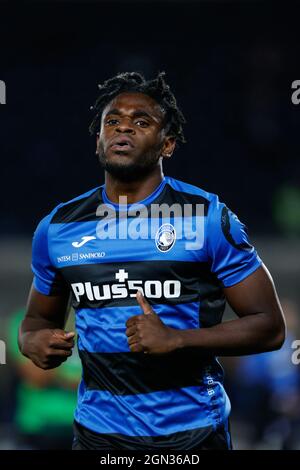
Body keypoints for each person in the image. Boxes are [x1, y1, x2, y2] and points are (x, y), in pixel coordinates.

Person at [18, 71, 286, 451]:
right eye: (112, 121)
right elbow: (36, 320)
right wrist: (32, 341)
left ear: (168, 144)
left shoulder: (206, 217)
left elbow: (270, 327)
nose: (123, 129)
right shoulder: (58, 227)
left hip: (192, 437)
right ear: (98, 141)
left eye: (141, 122)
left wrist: (178, 339)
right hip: (97, 438)